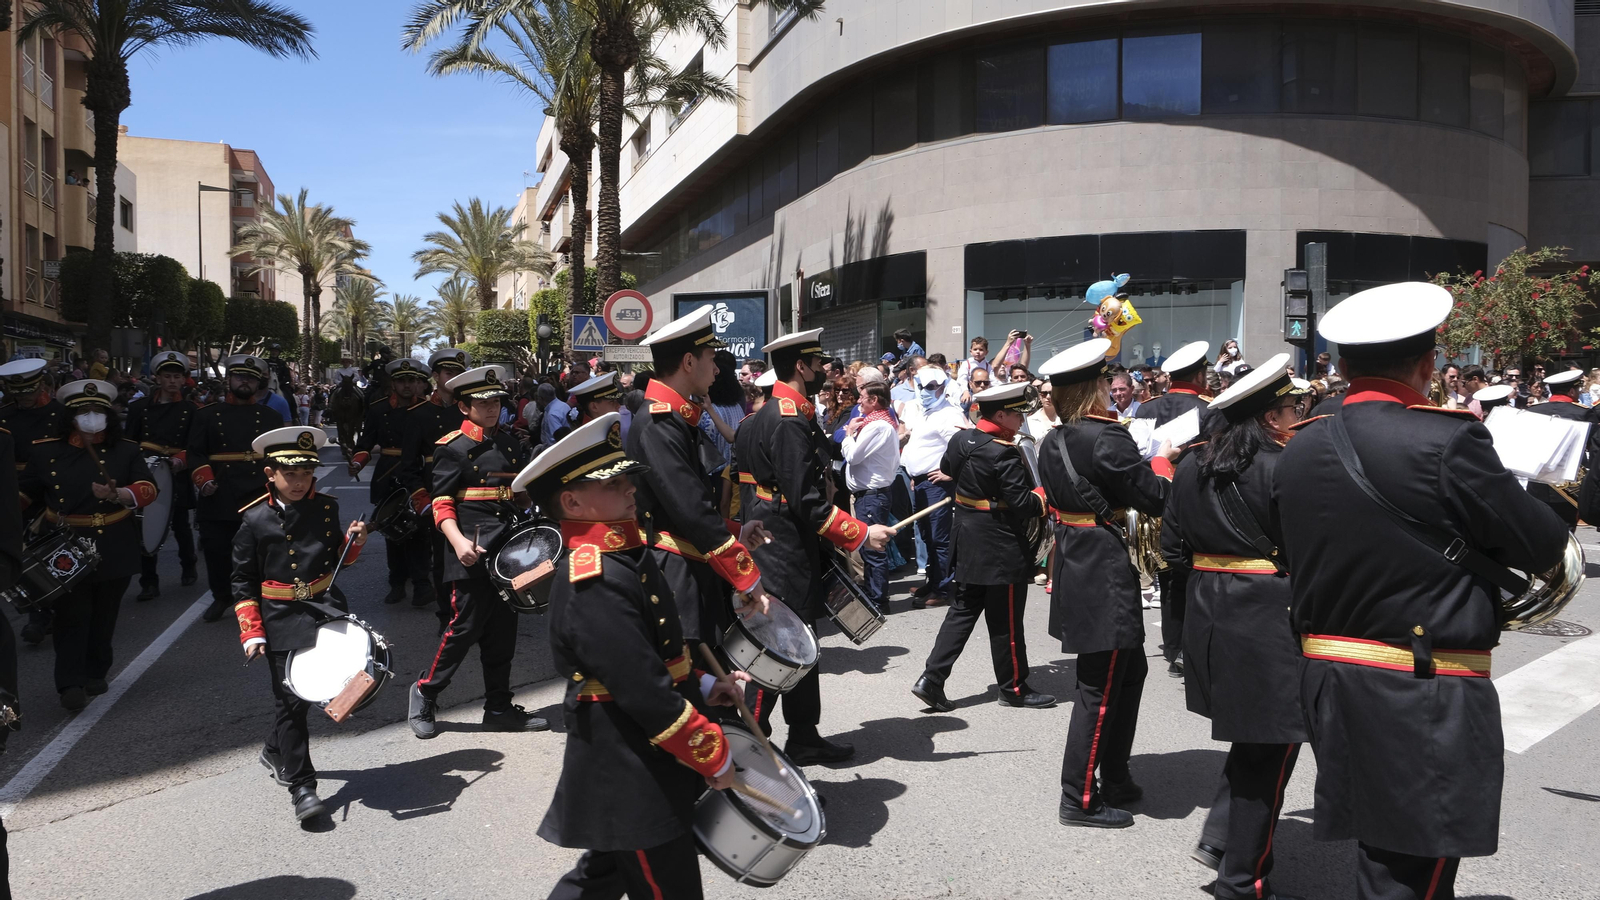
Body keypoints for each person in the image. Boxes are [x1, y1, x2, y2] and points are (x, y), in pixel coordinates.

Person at [1276, 282, 1568, 900]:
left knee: (1381, 853)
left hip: (1329, 673)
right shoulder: (1448, 438)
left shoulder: (1300, 443)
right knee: (1413, 870)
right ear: (1429, 364)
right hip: (1419, 681)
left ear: (1343, 365)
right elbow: (1540, 546)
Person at [517, 412, 745, 900]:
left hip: (635, 755)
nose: (631, 489)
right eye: (613, 483)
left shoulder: (622, 555)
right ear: (572, 502)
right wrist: (709, 750)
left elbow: (651, 653)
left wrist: (705, 685)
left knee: (602, 876)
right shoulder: (595, 576)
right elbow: (640, 686)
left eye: (626, 479)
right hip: (630, 763)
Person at [1161, 354, 1307, 898]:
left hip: (1209, 614)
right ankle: (1241, 880)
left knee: (1257, 736)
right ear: (1270, 417)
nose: (1297, 417)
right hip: (1270, 616)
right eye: (1291, 409)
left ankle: (1223, 837)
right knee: (1275, 745)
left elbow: (1173, 551)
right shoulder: (1284, 467)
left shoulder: (1191, 465)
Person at [1037, 338, 1178, 829]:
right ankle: (1078, 797)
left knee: (1129, 671)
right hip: (1103, 571)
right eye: (1103, 381)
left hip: (1077, 562)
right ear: (1093, 386)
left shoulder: (1053, 439)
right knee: (1098, 687)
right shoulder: (1106, 437)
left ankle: (1115, 775)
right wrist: (1163, 461)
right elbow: (1153, 496)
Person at [736, 328, 893, 764]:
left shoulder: (771, 414)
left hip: (779, 539)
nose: (825, 370)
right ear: (801, 367)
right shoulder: (788, 419)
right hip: (783, 545)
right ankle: (748, 745)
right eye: (819, 363)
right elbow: (806, 500)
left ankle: (804, 734)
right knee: (779, 643)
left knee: (802, 638)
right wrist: (860, 533)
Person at [231, 426, 368, 821]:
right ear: (270, 473)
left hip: (325, 607)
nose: (299, 482)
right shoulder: (253, 519)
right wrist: (251, 631)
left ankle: (275, 749)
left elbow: (336, 561)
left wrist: (354, 542)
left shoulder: (325, 508)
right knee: (291, 702)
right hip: (280, 616)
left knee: (333, 686)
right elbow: (242, 582)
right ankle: (303, 786)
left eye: (306, 473)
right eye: (289, 474)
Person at [409, 365, 545, 738]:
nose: (492, 408)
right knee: (464, 627)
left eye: (496, 402)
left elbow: (517, 496)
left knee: (503, 631)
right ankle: (425, 692)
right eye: (483, 403)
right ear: (464, 407)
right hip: (468, 546)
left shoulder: (510, 443)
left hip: (507, 549)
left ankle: (498, 707)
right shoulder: (452, 447)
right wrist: (456, 541)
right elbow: (440, 503)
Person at [629, 307, 771, 654]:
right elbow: (690, 509)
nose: (717, 369)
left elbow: (688, 505)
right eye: (711, 358)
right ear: (689, 362)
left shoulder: (673, 418)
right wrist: (745, 575)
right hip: (675, 573)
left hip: (689, 565)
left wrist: (737, 531)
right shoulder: (659, 422)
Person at [912, 380, 1053, 713]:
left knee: (962, 612)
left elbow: (947, 469)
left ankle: (931, 679)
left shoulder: (962, 439)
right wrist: (1044, 494)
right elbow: (1023, 504)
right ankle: (1013, 688)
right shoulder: (1003, 452)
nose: (1021, 419)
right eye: (1016, 414)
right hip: (1000, 545)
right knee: (1006, 621)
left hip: (968, 537)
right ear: (1001, 415)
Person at [22, 378, 157, 711]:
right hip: (65, 545)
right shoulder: (45, 451)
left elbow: (149, 488)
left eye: (98, 410)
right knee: (71, 615)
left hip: (114, 540)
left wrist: (120, 493)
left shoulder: (126, 449)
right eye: (84, 411)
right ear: (69, 417)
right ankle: (70, 683)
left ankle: (96, 670)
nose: (91, 416)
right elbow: (26, 495)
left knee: (104, 613)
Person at [1132, 339, 1215, 678]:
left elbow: (1137, 458)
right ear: (1200, 375)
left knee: (1167, 577)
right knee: (1198, 575)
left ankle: (1173, 647)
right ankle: (1192, 648)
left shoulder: (1146, 408)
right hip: (1197, 502)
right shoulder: (1211, 409)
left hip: (1157, 500)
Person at [188, 356, 284, 623]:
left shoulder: (271, 417)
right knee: (216, 549)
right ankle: (222, 596)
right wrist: (204, 480)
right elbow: (195, 452)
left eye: (250, 378)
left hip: (259, 490)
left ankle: (259, 598)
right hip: (220, 490)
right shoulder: (206, 415)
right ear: (228, 380)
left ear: (258, 383)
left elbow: (280, 455)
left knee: (260, 550)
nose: (245, 381)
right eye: (240, 376)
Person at [349, 358, 433, 606]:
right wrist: (357, 463)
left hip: (418, 473)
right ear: (393, 384)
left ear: (418, 383)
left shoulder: (428, 410)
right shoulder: (378, 409)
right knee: (390, 530)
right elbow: (365, 444)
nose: (407, 385)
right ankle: (396, 583)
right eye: (401, 381)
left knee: (420, 530)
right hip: (388, 473)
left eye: (411, 380)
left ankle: (422, 585)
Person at [398, 348, 471, 620]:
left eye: (458, 373)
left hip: (470, 490)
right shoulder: (419, 414)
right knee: (442, 559)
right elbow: (408, 464)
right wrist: (421, 497)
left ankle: (471, 609)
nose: (454, 378)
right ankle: (447, 614)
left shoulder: (471, 409)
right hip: (437, 492)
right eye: (449, 373)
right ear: (436, 376)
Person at [0, 360, 69, 645]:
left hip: (51, 486)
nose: (24, 398)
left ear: (41, 385)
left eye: (28, 391)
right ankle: (37, 615)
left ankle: (56, 610)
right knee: (19, 550)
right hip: (13, 488)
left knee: (50, 550)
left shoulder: (61, 414)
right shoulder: (3, 415)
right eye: (18, 393)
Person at [126, 350, 200, 600]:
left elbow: (196, 445)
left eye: (177, 376)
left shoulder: (191, 410)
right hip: (146, 471)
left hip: (176, 471)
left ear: (183, 379)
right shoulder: (139, 408)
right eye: (167, 376)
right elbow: (129, 443)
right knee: (145, 525)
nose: (172, 381)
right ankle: (149, 581)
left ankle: (188, 565)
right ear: (157, 378)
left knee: (181, 525)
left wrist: (181, 460)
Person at [901, 367, 968, 607]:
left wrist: (950, 474)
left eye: (930, 386)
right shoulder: (927, 412)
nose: (924, 391)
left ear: (942, 388)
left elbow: (964, 448)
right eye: (921, 386)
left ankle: (941, 589)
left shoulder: (950, 414)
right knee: (927, 536)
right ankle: (934, 582)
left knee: (939, 538)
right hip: (922, 483)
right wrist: (915, 474)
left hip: (936, 485)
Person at [842, 381, 900, 615]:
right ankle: (873, 593)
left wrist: (848, 435)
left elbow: (853, 456)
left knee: (873, 549)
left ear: (874, 400)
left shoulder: (877, 426)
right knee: (868, 548)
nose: (858, 401)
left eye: (862, 397)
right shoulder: (878, 424)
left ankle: (878, 599)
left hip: (872, 496)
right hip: (869, 495)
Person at [1523, 367, 1600, 530]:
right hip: (1569, 484)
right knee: (1567, 530)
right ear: (1571, 391)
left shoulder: (1532, 411)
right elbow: (1594, 449)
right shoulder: (1584, 413)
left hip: (1537, 482)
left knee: (1540, 529)